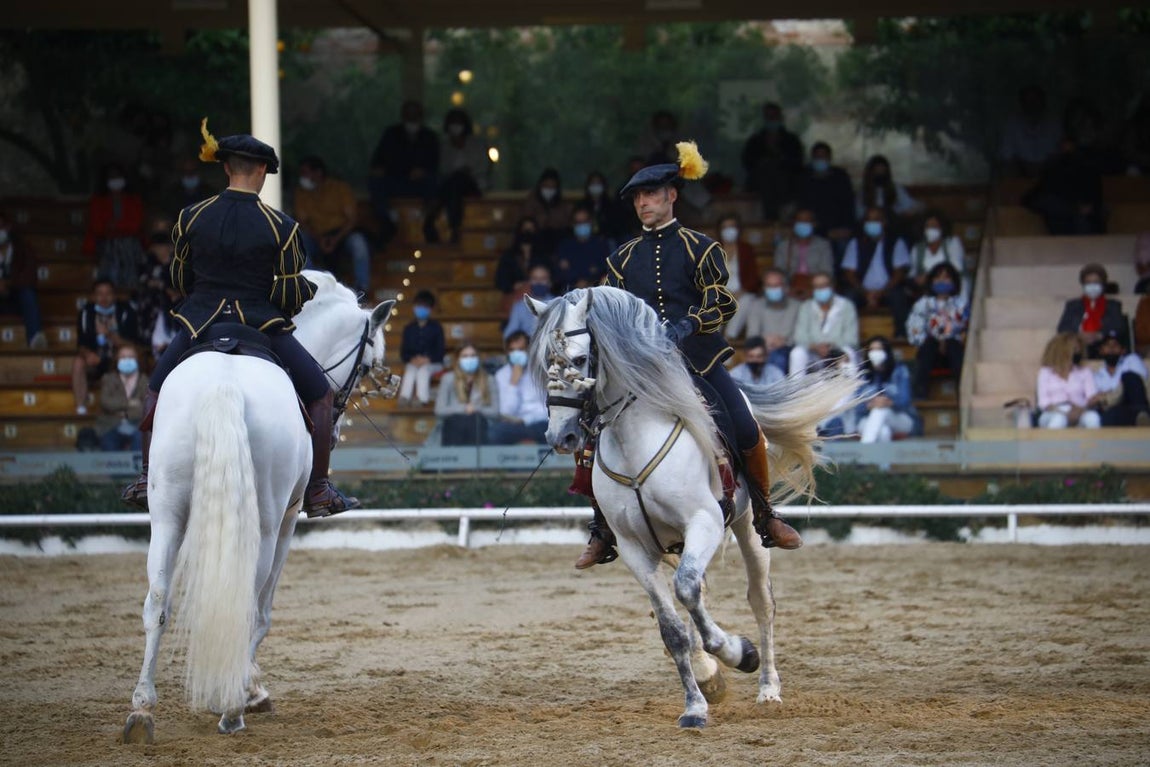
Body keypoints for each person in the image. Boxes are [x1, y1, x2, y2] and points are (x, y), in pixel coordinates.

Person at [576, 140, 802, 571]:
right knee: (590, 432)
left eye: (652, 195)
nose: (643, 203)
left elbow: (723, 302)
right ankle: (602, 527)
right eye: (638, 198)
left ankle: (765, 513)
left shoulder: (702, 247)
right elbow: (608, 315)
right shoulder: (620, 259)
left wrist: (690, 323)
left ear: (671, 196)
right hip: (641, 371)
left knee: (744, 426)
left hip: (698, 360)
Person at [120, 123, 358, 518]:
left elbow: (179, 280)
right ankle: (318, 489)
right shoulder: (282, 227)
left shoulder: (190, 217)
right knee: (321, 396)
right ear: (262, 172)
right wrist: (305, 293)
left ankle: (147, 477)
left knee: (155, 391)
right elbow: (286, 295)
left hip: (200, 323)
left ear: (226, 169)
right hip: (260, 324)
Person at [295, 155, 373, 294]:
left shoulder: (339, 188)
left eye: (306, 173)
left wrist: (335, 239)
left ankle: (362, 289)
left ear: (318, 173)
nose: (303, 177)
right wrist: (320, 240)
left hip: (342, 235)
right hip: (316, 236)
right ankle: (313, 285)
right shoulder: (301, 193)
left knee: (359, 243)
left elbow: (352, 219)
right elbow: (303, 223)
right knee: (298, 241)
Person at [368, 100, 440, 243]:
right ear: (402, 116)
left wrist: (423, 171)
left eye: (415, 114)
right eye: (408, 114)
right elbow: (378, 162)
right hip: (395, 181)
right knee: (375, 181)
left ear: (421, 116)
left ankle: (429, 223)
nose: (411, 118)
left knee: (436, 181)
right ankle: (387, 222)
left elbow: (434, 164)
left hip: (421, 185)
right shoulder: (391, 134)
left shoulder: (430, 136)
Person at [841, 206, 912, 338]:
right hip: (862, 291)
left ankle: (901, 335)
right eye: (869, 220)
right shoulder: (856, 243)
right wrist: (865, 293)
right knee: (848, 297)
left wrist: (881, 292)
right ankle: (847, 337)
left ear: (884, 222)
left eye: (876, 219)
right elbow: (849, 273)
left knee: (899, 297)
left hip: (887, 290)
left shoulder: (896, 242)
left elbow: (899, 273)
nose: (872, 223)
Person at [72, 278, 140, 415]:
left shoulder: (126, 311)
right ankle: (81, 408)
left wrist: (110, 335)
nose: (104, 298)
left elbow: (133, 344)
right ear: (93, 296)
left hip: (117, 359)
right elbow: (80, 345)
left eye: (108, 293)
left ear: (114, 295)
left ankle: (127, 408)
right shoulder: (86, 313)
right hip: (95, 359)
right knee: (78, 362)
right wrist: (88, 354)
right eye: (99, 293)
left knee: (129, 358)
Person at [906, 262, 968, 399]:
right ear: (931, 281)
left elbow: (963, 326)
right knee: (929, 344)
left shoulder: (961, 303)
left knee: (953, 344)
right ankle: (920, 395)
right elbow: (914, 329)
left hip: (954, 351)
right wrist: (937, 340)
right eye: (938, 277)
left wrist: (946, 339)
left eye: (946, 277)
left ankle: (963, 395)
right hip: (931, 352)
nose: (941, 281)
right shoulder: (922, 304)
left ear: (953, 281)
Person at [424, 108, 487, 244]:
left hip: (473, 185)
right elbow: (441, 169)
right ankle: (454, 227)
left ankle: (433, 217)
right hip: (451, 185)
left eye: (458, 122)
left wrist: (467, 172)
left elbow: (483, 167)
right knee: (455, 182)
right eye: (452, 123)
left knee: (458, 179)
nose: (455, 126)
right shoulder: (443, 146)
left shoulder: (477, 144)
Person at [1023, 138, 1106, 236]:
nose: (1067, 153)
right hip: (1060, 231)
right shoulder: (1052, 172)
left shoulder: (1089, 171)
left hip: (1085, 232)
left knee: (1085, 221)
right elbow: (1031, 200)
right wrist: (1073, 209)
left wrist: (1089, 208)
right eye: (1063, 150)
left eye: (1071, 150)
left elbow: (1095, 204)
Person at [83, 163, 145, 289]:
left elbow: (135, 225)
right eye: (112, 177)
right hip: (105, 243)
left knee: (126, 247)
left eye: (118, 177)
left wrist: (115, 224)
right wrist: (121, 226)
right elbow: (98, 227)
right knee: (114, 250)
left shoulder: (134, 200)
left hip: (131, 244)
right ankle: (112, 289)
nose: (115, 180)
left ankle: (129, 289)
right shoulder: (98, 201)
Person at [740, 102, 804, 221]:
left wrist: (780, 158)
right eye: (769, 117)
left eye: (774, 117)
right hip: (760, 192)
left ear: (780, 118)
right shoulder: (755, 141)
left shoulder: (792, 141)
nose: (771, 120)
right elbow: (747, 162)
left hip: (788, 191)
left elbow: (798, 164)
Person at [729, 269, 798, 377]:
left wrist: (785, 341)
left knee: (780, 357)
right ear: (764, 288)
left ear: (785, 287)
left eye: (777, 285)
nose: (773, 289)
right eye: (769, 286)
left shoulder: (796, 306)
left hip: (789, 348)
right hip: (763, 348)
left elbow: (802, 334)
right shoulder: (756, 305)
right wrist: (765, 341)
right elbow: (752, 335)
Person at [795, 142, 856, 263]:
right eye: (817, 157)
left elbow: (849, 206)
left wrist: (845, 229)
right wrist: (824, 231)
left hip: (838, 229)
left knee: (844, 245)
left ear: (829, 158)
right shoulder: (804, 178)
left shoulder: (841, 177)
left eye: (823, 157)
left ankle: (840, 280)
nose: (820, 160)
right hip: (814, 229)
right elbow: (802, 209)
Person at [789, 271, 859, 376]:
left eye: (823, 286)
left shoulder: (846, 306)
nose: (820, 290)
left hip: (837, 350)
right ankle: (796, 390)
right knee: (797, 353)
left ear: (832, 287)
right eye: (816, 287)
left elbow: (851, 338)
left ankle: (850, 391)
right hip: (814, 352)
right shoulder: (806, 307)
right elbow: (799, 336)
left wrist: (831, 346)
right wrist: (815, 347)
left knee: (848, 351)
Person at [855, 336, 919, 443]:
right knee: (884, 432)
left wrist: (888, 402)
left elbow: (905, 400)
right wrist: (870, 404)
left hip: (899, 418)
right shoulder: (862, 373)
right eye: (872, 350)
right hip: (866, 419)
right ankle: (877, 458)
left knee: (880, 410)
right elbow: (855, 404)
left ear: (887, 352)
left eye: (879, 349)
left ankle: (864, 454)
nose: (875, 353)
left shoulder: (900, 370)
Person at [489, 331, 548, 445]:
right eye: (512, 350)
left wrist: (525, 420)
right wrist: (513, 383)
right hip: (513, 425)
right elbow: (506, 411)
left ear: (529, 350)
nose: (516, 353)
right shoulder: (501, 375)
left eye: (520, 349)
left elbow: (546, 410)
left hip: (538, 423)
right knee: (496, 432)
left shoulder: (540, 372)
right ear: (507, 352)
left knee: (549, 430)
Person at [434, 342, 499, 446]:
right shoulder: (448, 379)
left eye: (473, 356)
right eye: (465, 356)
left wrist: (477, 409)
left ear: (478, 358)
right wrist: (464, 408)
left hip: (480, 427)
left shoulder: (489, 380)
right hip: (454, 427)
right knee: (459, 422)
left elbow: (495, 412)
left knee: (474, 421)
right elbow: (439, 410)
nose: (469, 359)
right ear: (458, 359)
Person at [1036, 333, 1104, 429]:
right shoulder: (1045, 372)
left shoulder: (1085, 372)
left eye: (1079, 350)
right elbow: (1043, 402)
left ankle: (1092, 444)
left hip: (1080, 411)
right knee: (1059, 420)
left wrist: (1078, 411)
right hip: (1052, 412)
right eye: (1074, 350)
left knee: (1093, 418)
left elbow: (1091, 397)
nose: (1077, 353)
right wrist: (1064, 413)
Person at [1056, 263, 1125, 358]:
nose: (1092, 286)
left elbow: (1119, 328)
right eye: (1088, 283)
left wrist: (1099, 335)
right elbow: (1062, 328)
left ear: (1103, 284)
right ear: (1083, 285)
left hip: (1103, 347)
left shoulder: (1113, 306)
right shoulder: (1073, 305)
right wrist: (1078, 335)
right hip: (1078, 346)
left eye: (1096, 282)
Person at [0, 210, 46, 349]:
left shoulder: (23, 248)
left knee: (28, 293)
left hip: (15, 299)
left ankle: (35, 339)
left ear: (7, 227)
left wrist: (7, 284)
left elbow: (30, 276)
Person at [855, 155, 923, 242]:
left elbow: (911, 206)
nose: (880, 173)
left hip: (893, 229)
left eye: (882, 170)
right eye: (877, 170)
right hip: (870, 229)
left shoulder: (896, 189)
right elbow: (859, 216)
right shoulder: (863, 193)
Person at [1000, 84, 1063, 178]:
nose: (1032, 104)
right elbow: (1007, 156)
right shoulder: (1013, 123)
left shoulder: (1055, 123)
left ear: (1043, 101)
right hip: (1020, 179)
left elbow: (1060, 154)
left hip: (1050, 178)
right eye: (1028, 100)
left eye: (1036, 99)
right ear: (1022, 103)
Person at [96, 344, 149, 452]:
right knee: (109, 443)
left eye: (130, 357)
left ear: (137, 360)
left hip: (137, 426)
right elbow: (106, 402)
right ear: (117, 360)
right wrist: (129, 403)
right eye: (123, 357)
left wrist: (123, 413)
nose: (127, 360)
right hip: (111, 425)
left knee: (141, 441)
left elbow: (145, 406)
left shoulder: (144, 380)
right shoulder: (109, 379)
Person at [773, 207, 834, 300]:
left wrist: (813, 290)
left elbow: (827, 272)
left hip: (816, 288)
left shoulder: (823, 246)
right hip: (790, 289)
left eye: (807, 221)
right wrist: (789, 290)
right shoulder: (783, 246)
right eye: (800, 221)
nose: (803, 224)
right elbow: (778, 273)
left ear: (814, 224)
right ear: (794, 224)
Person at [715, 213, 762, 333]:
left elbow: (753, 277)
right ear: (720, 230)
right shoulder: (712, 249)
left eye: (732, 226)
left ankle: (731, 336)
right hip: (719, 293)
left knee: (747, 300)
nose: (729, 230)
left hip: (741, 293)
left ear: (738, 229)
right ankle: (715, 337)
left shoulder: (746, 249)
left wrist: (741, 292)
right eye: (725, 227)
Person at [398, 290, 445, 407]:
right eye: (419, 305)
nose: (421, 309)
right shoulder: (408, 328)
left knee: (423, 371)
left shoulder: (437, 328)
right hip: (413, 362)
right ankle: (404, 398)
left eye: (425, 306)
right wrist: (413, 360)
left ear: (430, 309)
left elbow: (440, 352)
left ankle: (421, 399)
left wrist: (427, 360)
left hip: (433, 363)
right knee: (410, 370)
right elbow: (404, 353)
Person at [1093, 330, 1150, 427]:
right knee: (1108, 417)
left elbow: (1139, 384)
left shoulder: (1132, 360)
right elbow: (1096, 400)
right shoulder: (1097, 376)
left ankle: (1143, 417)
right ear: (1101, 350)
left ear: (1123, 350)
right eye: (1107, 345)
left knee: (1129, 377)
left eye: (1115, 345)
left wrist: (1109, 394)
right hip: (1118, 410)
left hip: (1135, 405)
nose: (1111, 348)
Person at [909, 211, 967, 300]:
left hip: (953, 285)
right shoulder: (917, 248)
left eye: (934, 226)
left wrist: (930, 276)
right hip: (928, 289)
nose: (930, 229)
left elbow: (957, 267)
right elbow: (912, 273)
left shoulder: (952, 242)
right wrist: (917, 279)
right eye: (927, 226)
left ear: (942, 228)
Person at [519, 168, 573, 260]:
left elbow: (566, 225)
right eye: (546, 186)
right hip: (536, 242)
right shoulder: (531, 202)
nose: (549, 190)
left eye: (552, 187)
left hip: (557, 242)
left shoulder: (562, 205)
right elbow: (526, 224)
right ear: (540, 186)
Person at [554, 206, 610, 291]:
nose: (581, 225)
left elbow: (604, 268)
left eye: (584, 221)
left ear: (591, 222)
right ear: (573, 224)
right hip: (570, 290)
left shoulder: (601, 244)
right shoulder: (565, 245)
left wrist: (588, 280)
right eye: (578, 222)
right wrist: (579, 279)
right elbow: (561, 272)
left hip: (596, 290)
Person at [495, 217, 544, 312]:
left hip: (539, 298)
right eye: (525, 230)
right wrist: (514, 285)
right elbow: (500, 281)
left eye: (531, 230)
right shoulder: (508, 256)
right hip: (513, 298)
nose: (527, 233)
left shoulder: (542, 256)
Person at [504, 264, 554, 340]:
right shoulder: (519, 306)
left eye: (543, 279)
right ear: (529, 282)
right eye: (535, 279)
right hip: (527, 348)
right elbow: (509, 335)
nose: (539, 282)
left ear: (549, 282)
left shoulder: (557, 304)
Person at [581, 171, 625, 243]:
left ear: (604, 186)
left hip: (608, 241)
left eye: (598, 183)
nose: (595, 186)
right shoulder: (582, 206)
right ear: (588, 186)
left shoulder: (612, 206)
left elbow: (618, 227)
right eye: (593, 183)